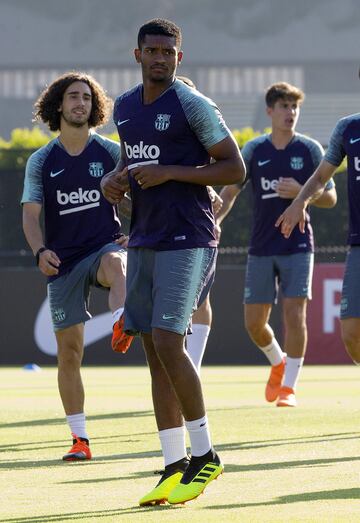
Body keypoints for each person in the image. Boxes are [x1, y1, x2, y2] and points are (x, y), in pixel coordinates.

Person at [101, 18, 245, 506]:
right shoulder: (122, 107)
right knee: (154, 352)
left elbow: (234, 167)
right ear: (137, 54)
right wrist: (114, 180)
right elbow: (133, 162)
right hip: (143, 237)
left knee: (169, 338)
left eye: (169, 51)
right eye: (152, 50)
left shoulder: (192, 104)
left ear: (179, 58)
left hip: (190, 237)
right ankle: (173, 464)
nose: (161, 58)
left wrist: (171, 174)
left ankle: (206, 456)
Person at [21, 71, 132, 461]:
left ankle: (122, 321)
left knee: (117, 262)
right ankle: (80, 440)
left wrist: (135, 233)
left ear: (95, 105)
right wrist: (39, 252)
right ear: (58, 105)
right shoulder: (41, 161)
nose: (80, 102)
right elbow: (31, 216)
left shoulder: (111, 151)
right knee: (69, 353)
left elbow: (143, 194)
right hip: (63, 262)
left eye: (86, 96)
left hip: (103, 247)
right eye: (73, 96)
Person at [216, 82, 337, 407]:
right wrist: (214, 223)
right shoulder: (255, 149)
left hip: (298, 245)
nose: (290, 112)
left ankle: (290, 387)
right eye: (284, 106)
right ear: (270, 111)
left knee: (294, 314)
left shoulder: (310, 149)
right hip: (260, 246)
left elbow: (331, 197)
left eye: (294, 107)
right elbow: (229, 193)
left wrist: (302, 191)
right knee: (254, 323)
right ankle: (278, 361)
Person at [276, 73, 360, 366]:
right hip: (358, 245)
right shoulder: (348, 128)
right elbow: (322, 176)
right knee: (351, 333)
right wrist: (299, 202)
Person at [177, 75, 223, 371]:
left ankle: (191, 369)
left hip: (198, 226)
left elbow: (220, 168)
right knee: (174, 302)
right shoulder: (151, 126)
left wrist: (209, 191)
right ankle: (179, 369)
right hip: (160, 227)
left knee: (199, 300)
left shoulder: (204, 130)